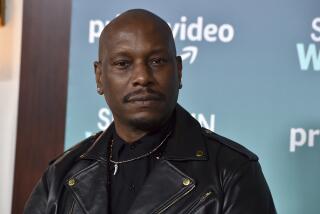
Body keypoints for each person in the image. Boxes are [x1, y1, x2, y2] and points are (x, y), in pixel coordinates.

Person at [24, 9, 276, 214]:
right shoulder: (61, 175)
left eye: (156, 61)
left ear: (178, 71)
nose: (142, 77)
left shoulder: (232, 171)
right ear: (99, 77)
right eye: (123, 64)